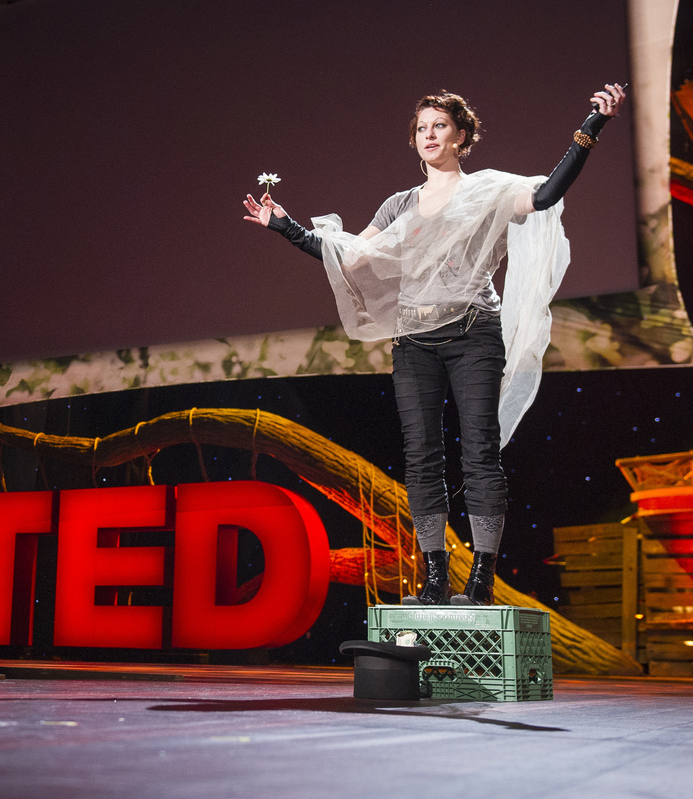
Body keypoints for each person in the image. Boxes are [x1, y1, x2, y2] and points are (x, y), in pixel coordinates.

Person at [244, 84, 626, 605]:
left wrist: (591, 126)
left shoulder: (488, 191)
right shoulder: (400, 205)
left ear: (461, 136)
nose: (428, 134)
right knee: (421, 458)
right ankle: (434, 576)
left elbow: (545, 195)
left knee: (479, 454)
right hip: (415, 340)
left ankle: (482, 576)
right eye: (421, 128)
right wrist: (285, 227)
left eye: (439, 126)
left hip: (473, 333)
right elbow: (351, 258)